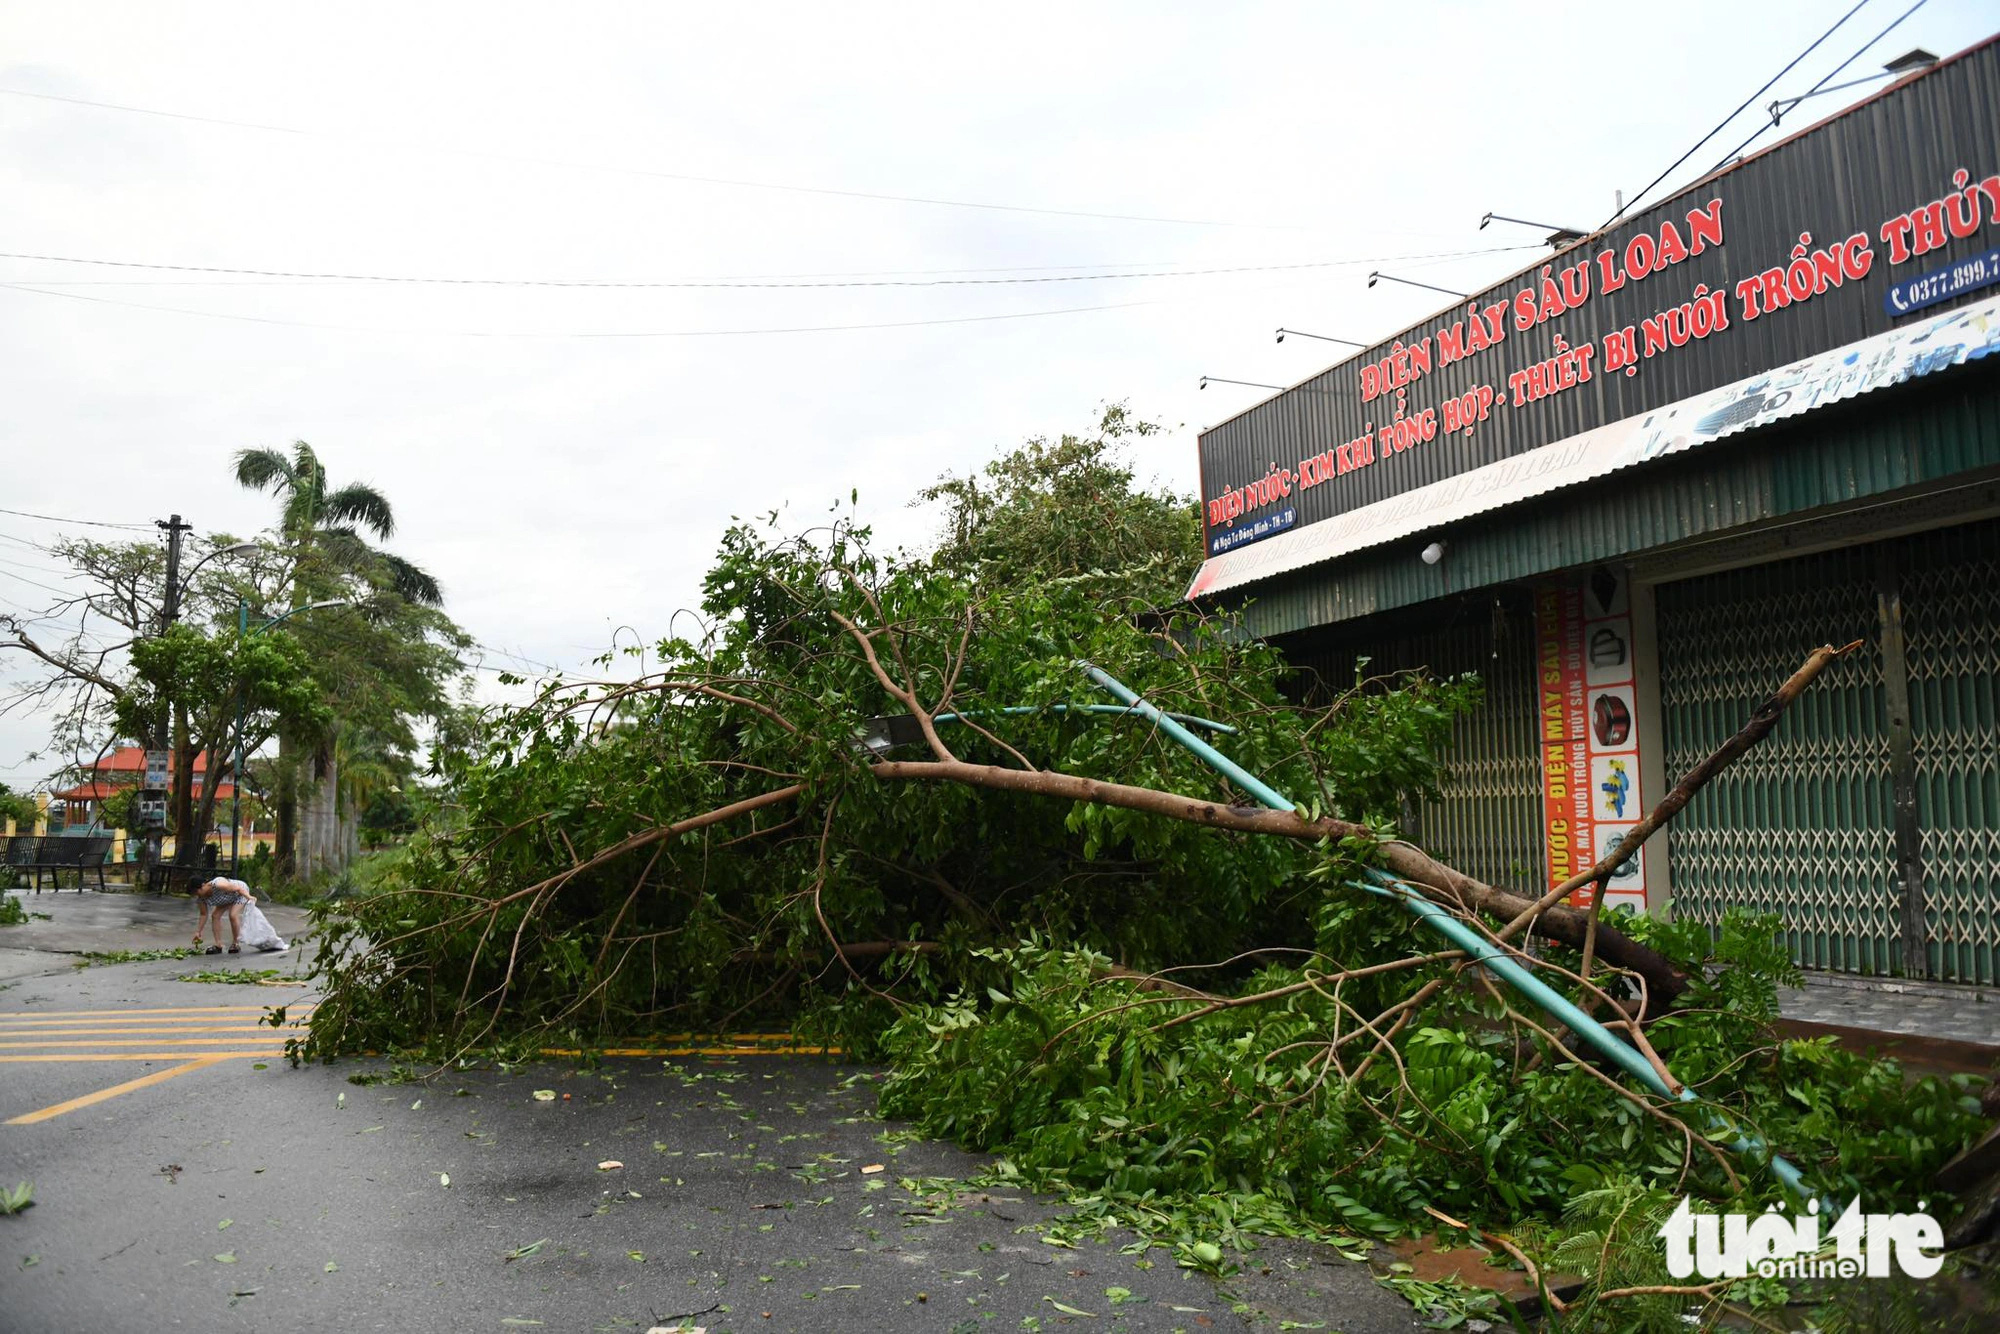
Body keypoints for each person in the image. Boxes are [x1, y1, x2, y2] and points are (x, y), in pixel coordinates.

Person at [193, 875, 255, 954]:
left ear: (202, 885)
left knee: (233, 915)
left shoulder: (218, 884)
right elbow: (203, 915)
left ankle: (235, 944)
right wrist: (198, 932)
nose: (196, 895)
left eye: (196, 891)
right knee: (215, 915)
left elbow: (238, 889)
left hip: (240, 893)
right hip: (226, 898)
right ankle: (218, 945)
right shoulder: (201, 898)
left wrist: (249, 897)